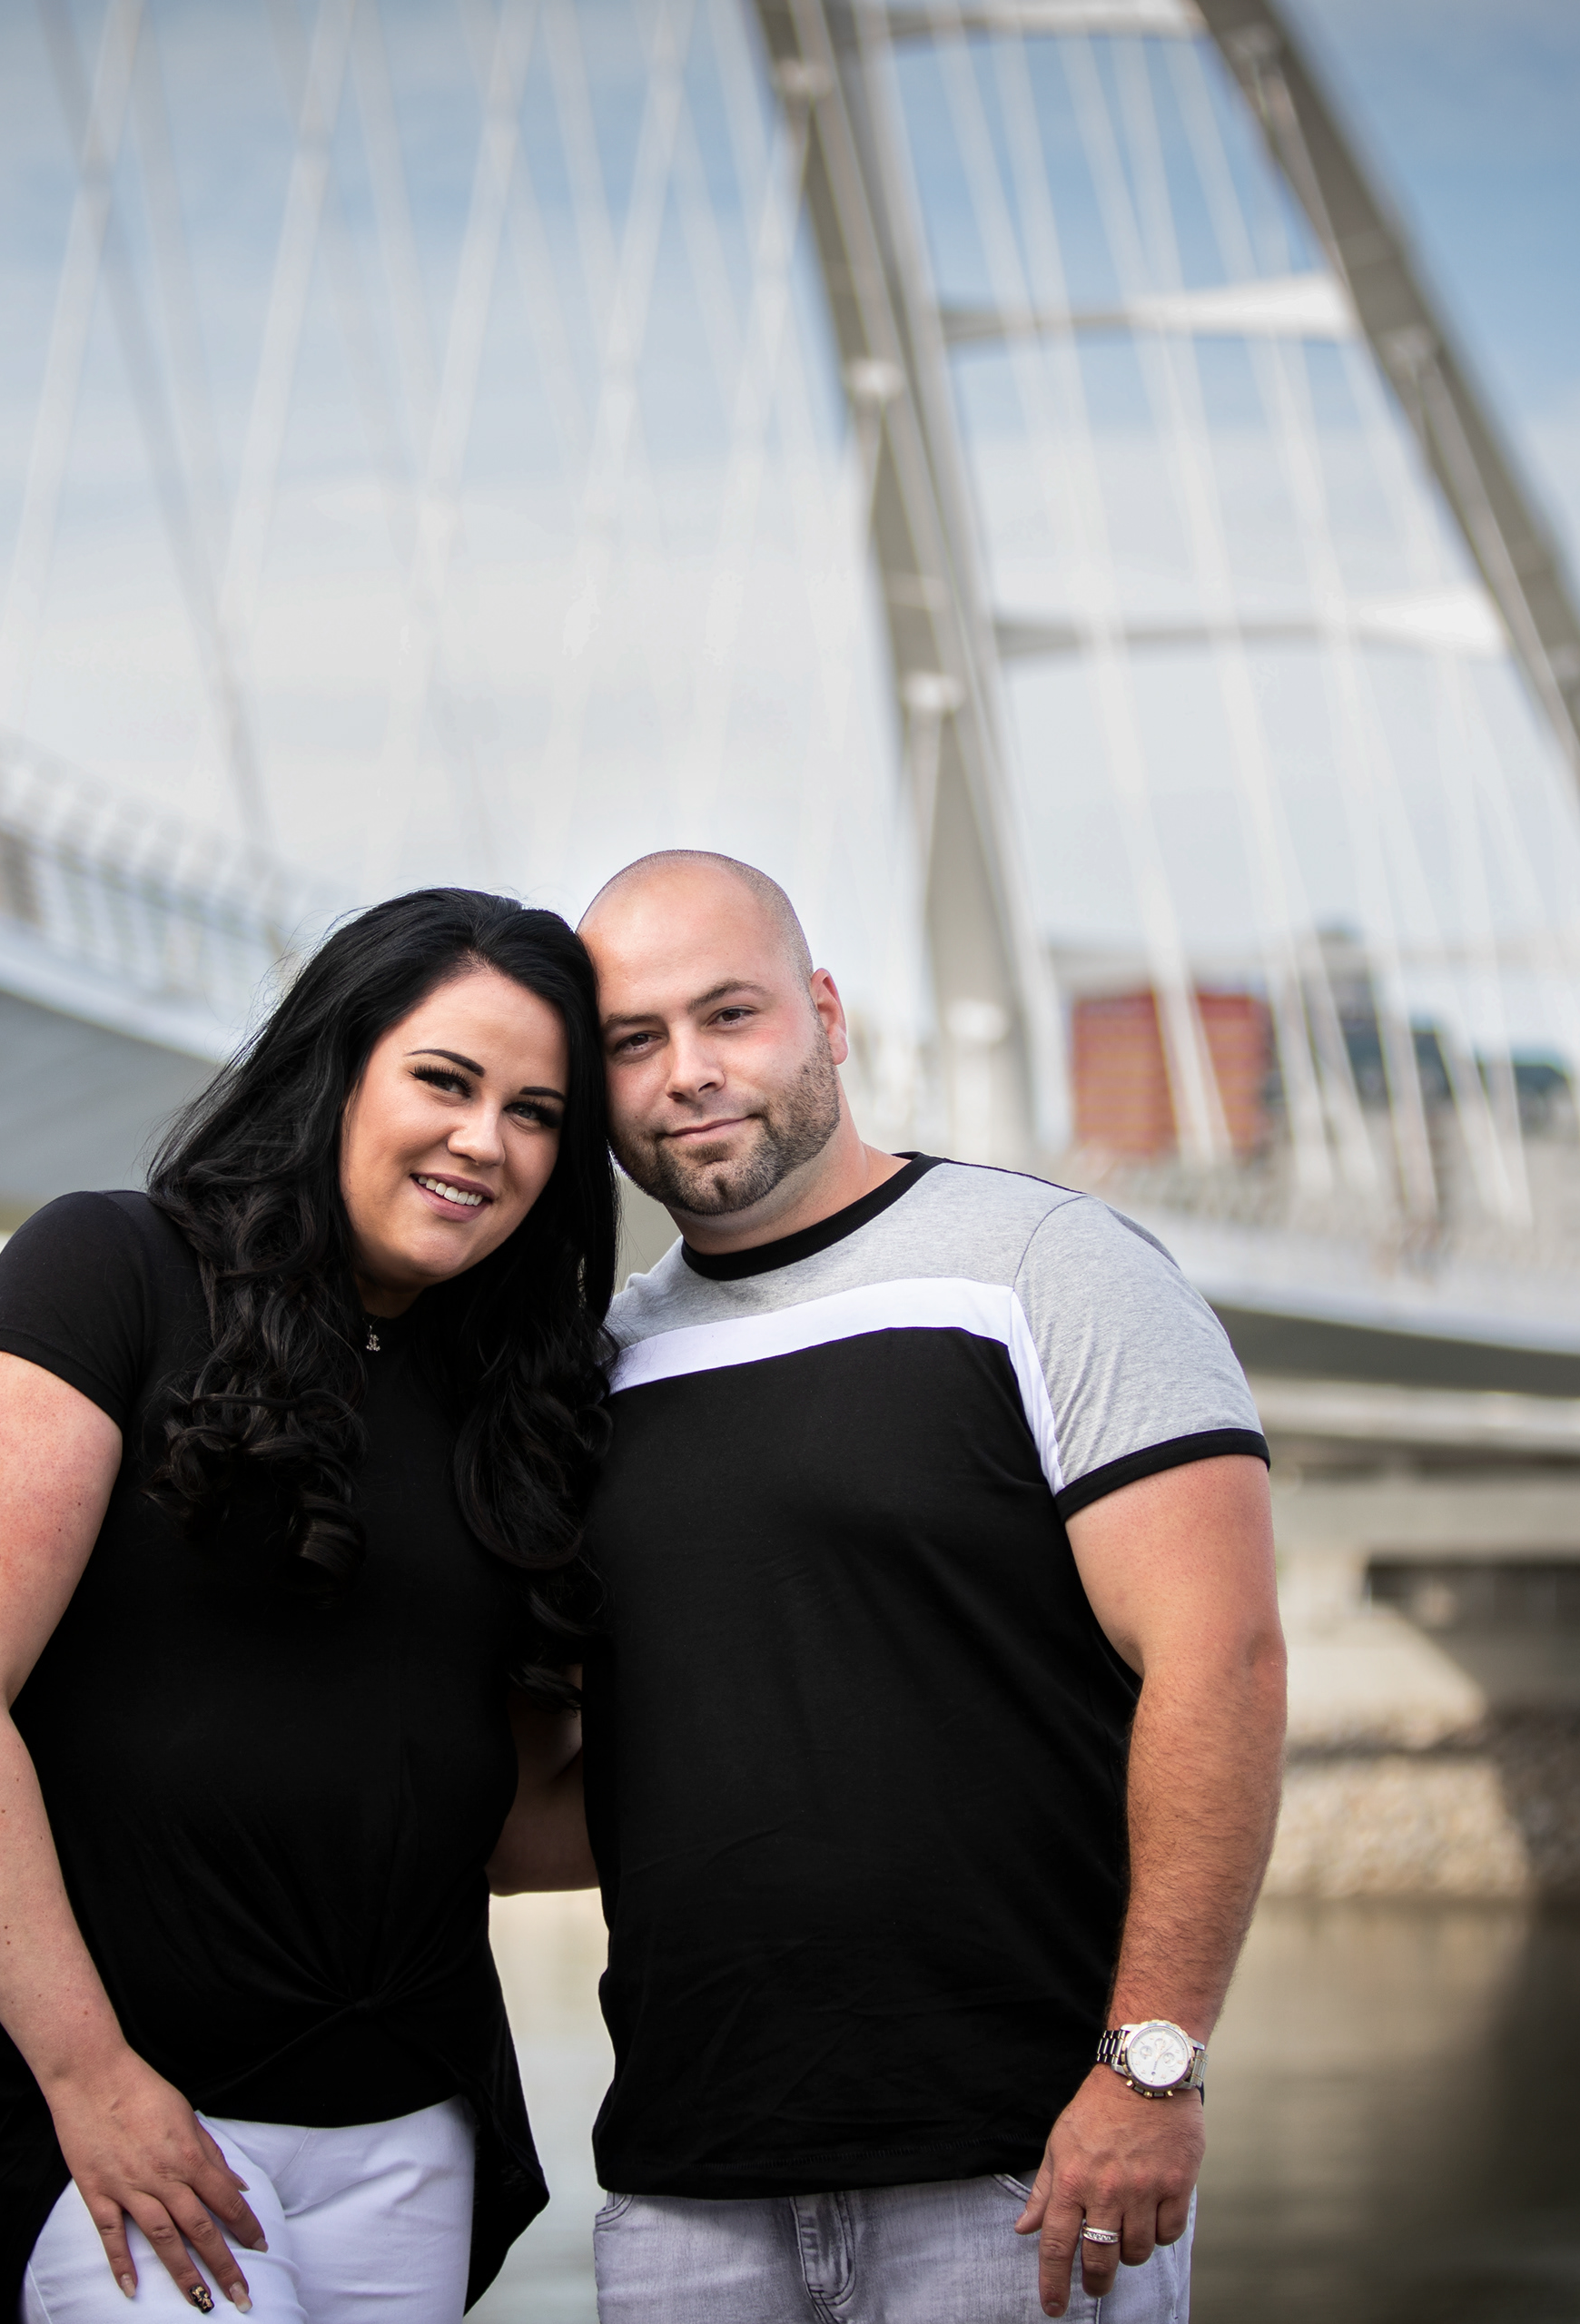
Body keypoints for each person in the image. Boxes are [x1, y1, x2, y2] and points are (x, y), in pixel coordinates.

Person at [0, 888, 617, 2323]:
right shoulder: (110, 1272)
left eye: (535, 1112)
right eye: (444, 1081)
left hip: (406, 2132)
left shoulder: (527, 1407)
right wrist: (90, 2078)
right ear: (338, 1067)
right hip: (114, 2117)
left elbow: (506, 1817)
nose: (484, 1141)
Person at [548, 850, 1287, 2322]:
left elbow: (1224, 1663)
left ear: (825, 1013)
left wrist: (1153, 2064)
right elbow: (599, 1773)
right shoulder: (599, 1371)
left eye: (730, 1016)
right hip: (688, 2190)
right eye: (635, 1041)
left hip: (1018, 2180)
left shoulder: (1048, 1269)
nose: (687, 1074)